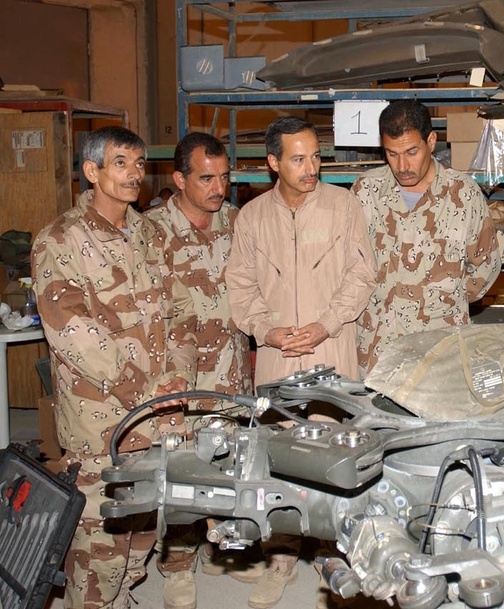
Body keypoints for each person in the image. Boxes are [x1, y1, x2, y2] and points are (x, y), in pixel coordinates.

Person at [31, 126, 198, 609]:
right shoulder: (59, 240)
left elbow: (182, 310)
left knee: (145, 524)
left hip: (159, 411)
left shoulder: (149, 232)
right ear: (92, 171)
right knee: (101, 540)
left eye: (140, 164)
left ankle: (122, 597)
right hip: (102, 417)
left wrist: (178, 373)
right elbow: (70, 332)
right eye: (120, 162)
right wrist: (141, 386)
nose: (133, 174)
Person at [226, 116, 377, 609]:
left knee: (336, 457)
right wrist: (265, 330)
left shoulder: (344, 206)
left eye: (316, 156)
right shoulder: (251, 218)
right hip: (277, 358)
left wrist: (327, 323)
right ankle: (281, 559)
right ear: (273, 162)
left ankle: (337, 556)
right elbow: (241, 285)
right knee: (280, 460)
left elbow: (361, 274)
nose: (311, 167)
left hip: (330, 352)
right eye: (298, 158)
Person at [145, 132, 256, 609]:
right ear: (178, 179)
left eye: (224, 176)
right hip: (181, 379)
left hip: (231, 373)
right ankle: (175, 567)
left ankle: (218, 547)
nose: (219, 187)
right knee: (180, 471)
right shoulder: (151, 231)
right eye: (206, 178)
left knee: (229, 466)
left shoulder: (237, 222)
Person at [351, 99, 504, 376]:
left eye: (411, 152)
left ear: (431, 141)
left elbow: (485, 269)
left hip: (440, 350)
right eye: (392, 154)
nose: (402, 165)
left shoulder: (463, 194)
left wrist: (441, 301)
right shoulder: (366, 191)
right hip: (377, 349)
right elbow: (348, 265)